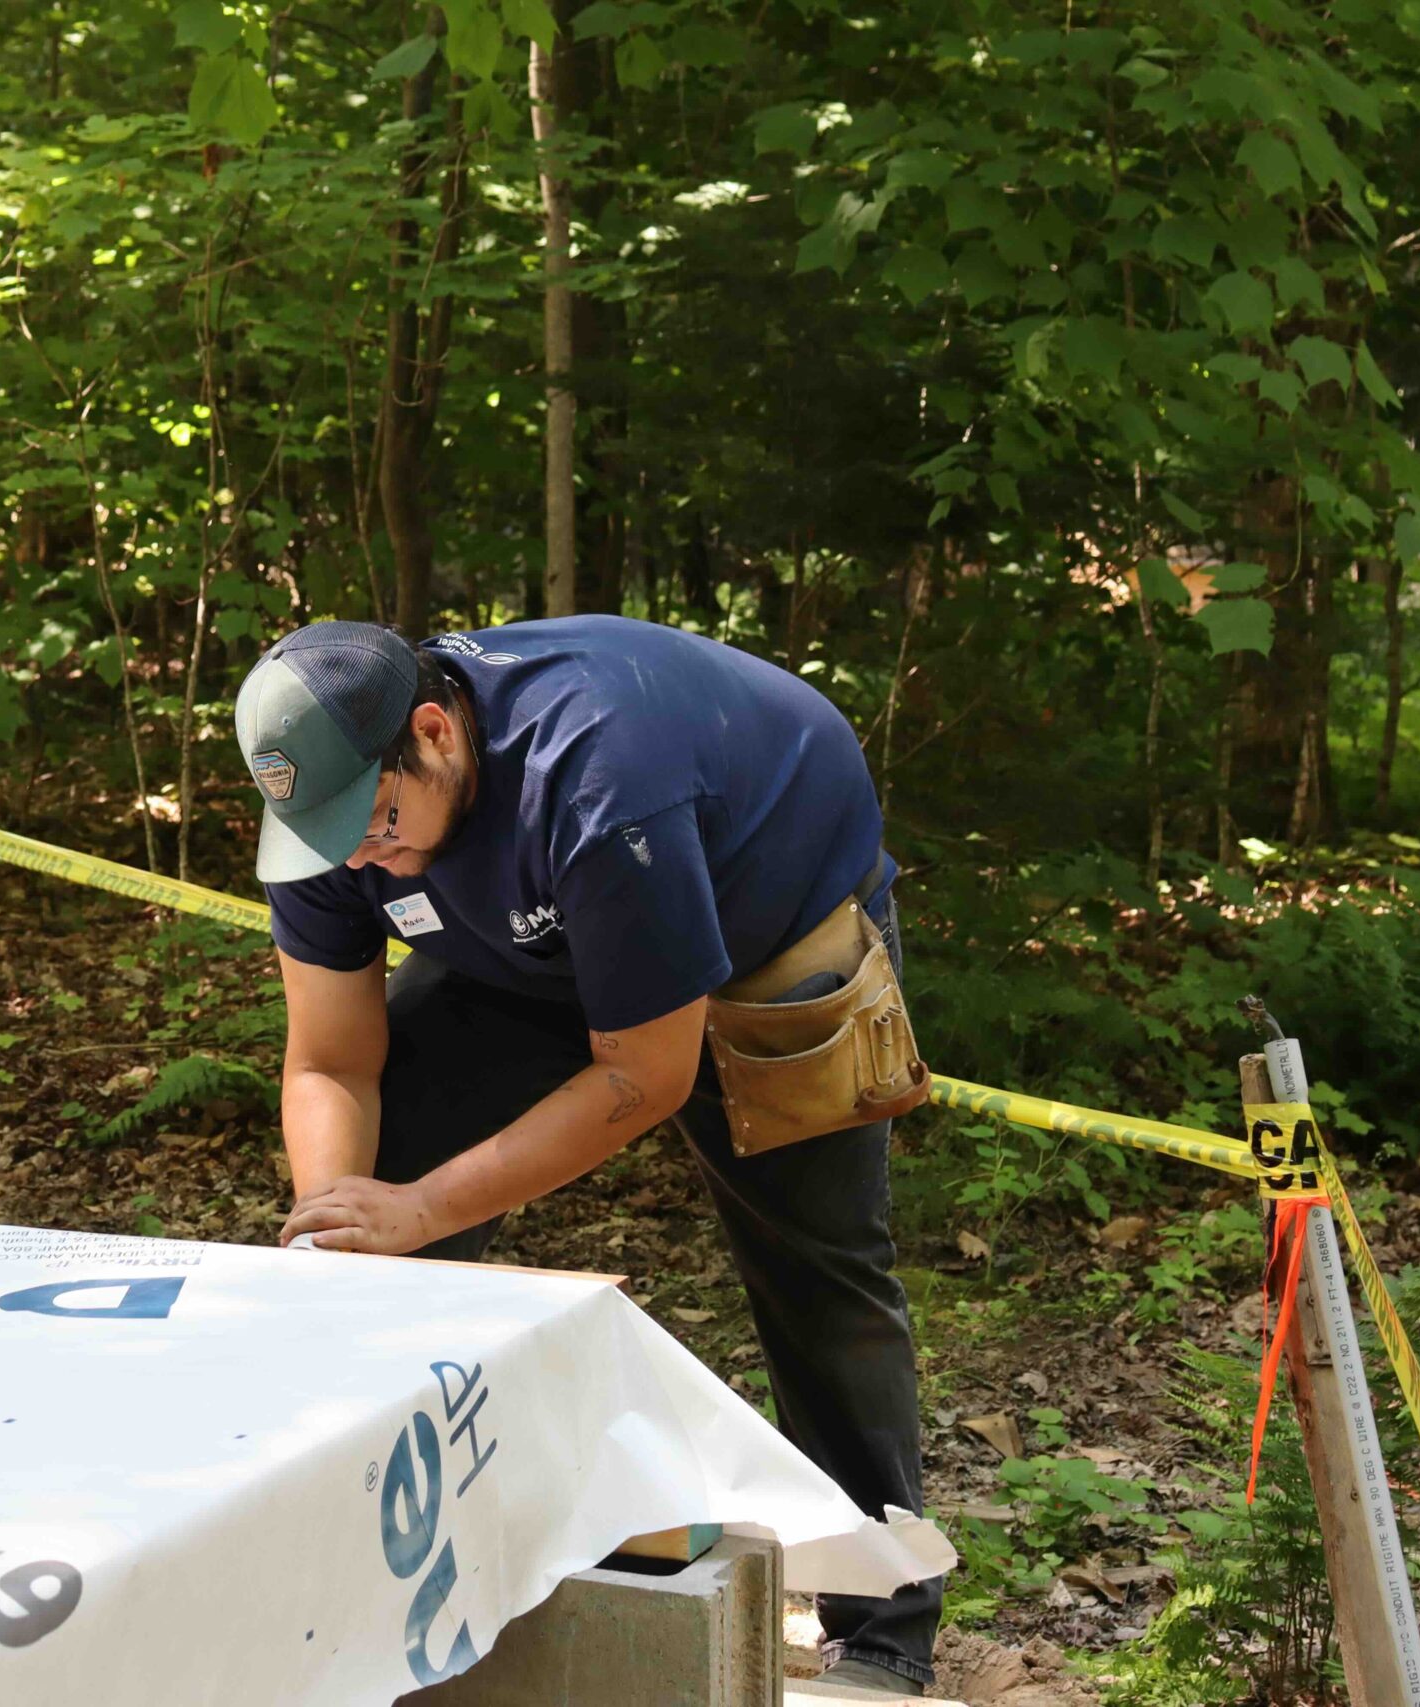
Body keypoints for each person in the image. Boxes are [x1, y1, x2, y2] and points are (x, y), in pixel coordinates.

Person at [236, 617, 941, 1695]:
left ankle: (882, 1633)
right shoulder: (329, 816)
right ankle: (380, 1583)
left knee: (819, 1271)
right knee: (366, 1254)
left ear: (433, 732)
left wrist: (420, 1209)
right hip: (525, 957)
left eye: (376, 822)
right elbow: (331, 1062)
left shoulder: (603, 779)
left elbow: (638, 1080)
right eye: (332, 839)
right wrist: (342, 1225)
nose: (360, 855)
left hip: (768, 930)